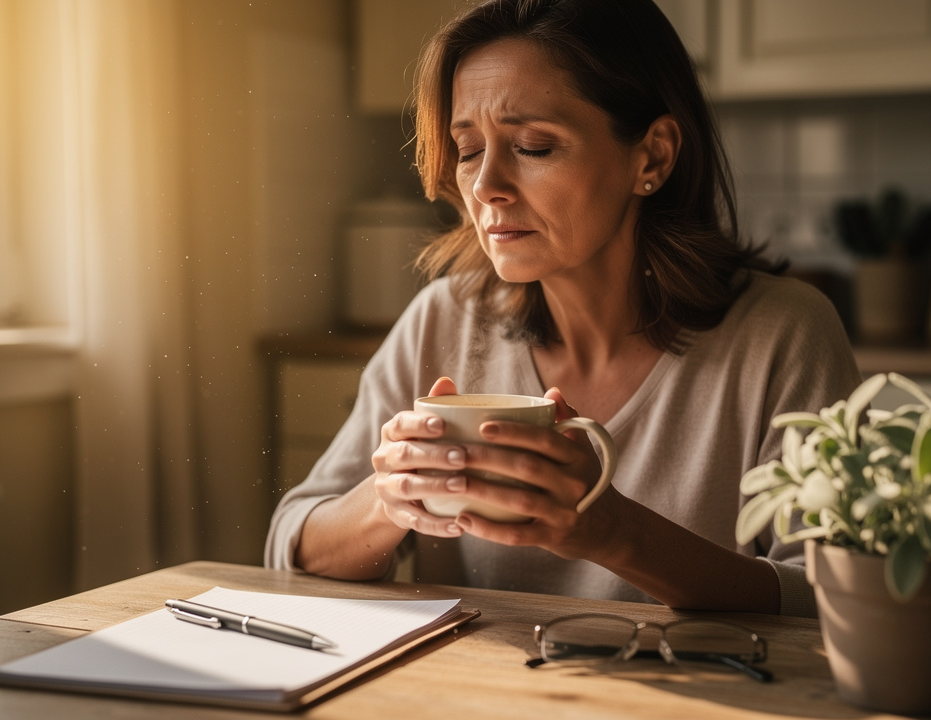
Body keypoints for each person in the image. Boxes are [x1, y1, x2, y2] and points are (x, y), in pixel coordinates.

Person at [265, 0, 861, 617]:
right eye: (468, 149)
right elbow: (293, 544)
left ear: (651, 156)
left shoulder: (783, 334)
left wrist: (614, 533)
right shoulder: (442, 320)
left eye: (534, 146)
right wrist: (389, 500)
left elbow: (833, 596)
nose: (485, 185)